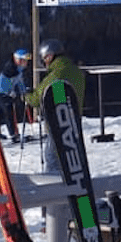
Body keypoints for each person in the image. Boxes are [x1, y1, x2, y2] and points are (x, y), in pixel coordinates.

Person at [24, 39, 86, 173]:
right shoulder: (76, 71)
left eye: (44, 58)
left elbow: (36, 99)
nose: (44, 62)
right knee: (73, 157)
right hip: (75, 120)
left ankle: (55, 187)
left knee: (52, 158)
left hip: (58, 123)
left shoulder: (55, 75)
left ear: (50, 56)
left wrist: (26, 95)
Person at [0, 48, 30, 142]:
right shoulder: (10, 69)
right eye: (25, 60)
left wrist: (23, 90)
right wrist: (9, 93)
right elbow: (4, 83)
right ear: (19, 60)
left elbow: (19, 81)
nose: (27, 63)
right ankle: (13, 135)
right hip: (1, 92)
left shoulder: (19, 68)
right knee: (8, 112)